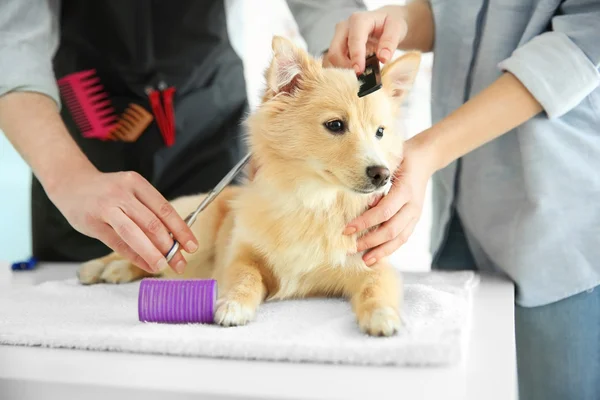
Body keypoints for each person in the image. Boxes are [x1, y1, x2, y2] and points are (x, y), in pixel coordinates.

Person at [327, 1, 600, 399]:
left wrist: (426, 152)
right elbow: (456, 13)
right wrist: (398, 23)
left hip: (557, 222)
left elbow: (579, 46)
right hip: (457, 213)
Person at [0, 0, 367, 275]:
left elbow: (328, 11)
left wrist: (343, 85)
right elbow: (11, 40)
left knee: (217, 269)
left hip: (209, 118)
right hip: (84, 126)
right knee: (82, 296)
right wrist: (68, 177)